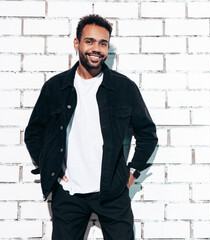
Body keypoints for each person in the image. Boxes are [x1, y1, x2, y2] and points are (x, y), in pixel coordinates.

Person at [24, 14, 158, 240]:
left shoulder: (124, 88)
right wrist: (49, 165)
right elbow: (34, 133)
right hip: (68, 194)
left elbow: (147, 134)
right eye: (90, 41)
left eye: (103, 43)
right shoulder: (56, 87)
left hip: (113, 193)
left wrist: (133, 172)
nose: (96, 48)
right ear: (77, 43)